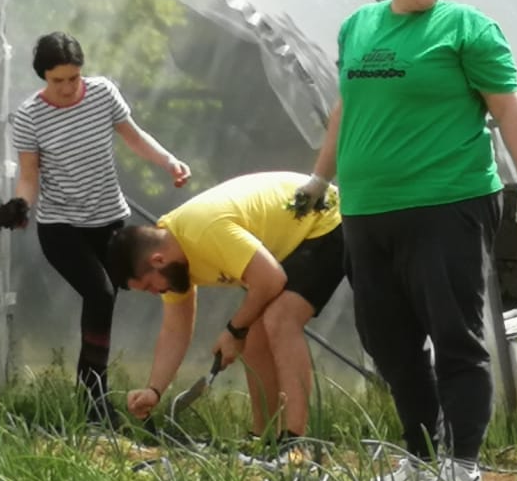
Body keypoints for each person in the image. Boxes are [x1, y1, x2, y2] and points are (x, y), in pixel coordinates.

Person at [294, 0, 517, 481]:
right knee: (386, 340)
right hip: (367, 210)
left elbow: (508, 107)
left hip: (447, 202)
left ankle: (462, 466)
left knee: (454, 334)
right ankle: (421, 454)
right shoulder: (358, 27)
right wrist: (319, 178)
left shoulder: (466, 28)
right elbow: (347, 108)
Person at [0, 32, 191, 422]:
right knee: (99, 293)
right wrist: (20, 205)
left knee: (107, 301)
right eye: (58, 81)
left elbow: (134, 137)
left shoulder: (102, 94)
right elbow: (29, 175)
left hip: (109, 221)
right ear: (43, 77)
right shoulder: (30, 116)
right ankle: (93, 402)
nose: (67, 88)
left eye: (73, 78)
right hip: (61, 226)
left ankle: (98, 399)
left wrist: (169, 162)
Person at [108, 171, 346, 440]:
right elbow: (175, 331)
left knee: (280, 319)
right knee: (254, 337)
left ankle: (295, 442)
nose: (156, 293)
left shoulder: (202, 231)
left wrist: (234, 330)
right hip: (291, 241)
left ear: (158, 260)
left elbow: (270, 279)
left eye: (150, 286)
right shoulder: (174, 258)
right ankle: (264, 438)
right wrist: (154, 390)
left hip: (326, 217)